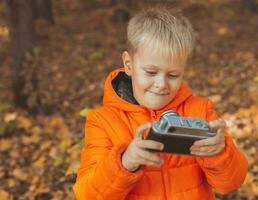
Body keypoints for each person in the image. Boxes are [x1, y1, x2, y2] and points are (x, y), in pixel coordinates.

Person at [73, 7, 248, 200]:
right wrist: (125, 162)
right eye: (151, 72)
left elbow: (231, 183)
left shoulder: (200, 110)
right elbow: (86, 195)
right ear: (129, 65)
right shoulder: (103, 122)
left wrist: (220, 152)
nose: (161, 84)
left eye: (173, 75)